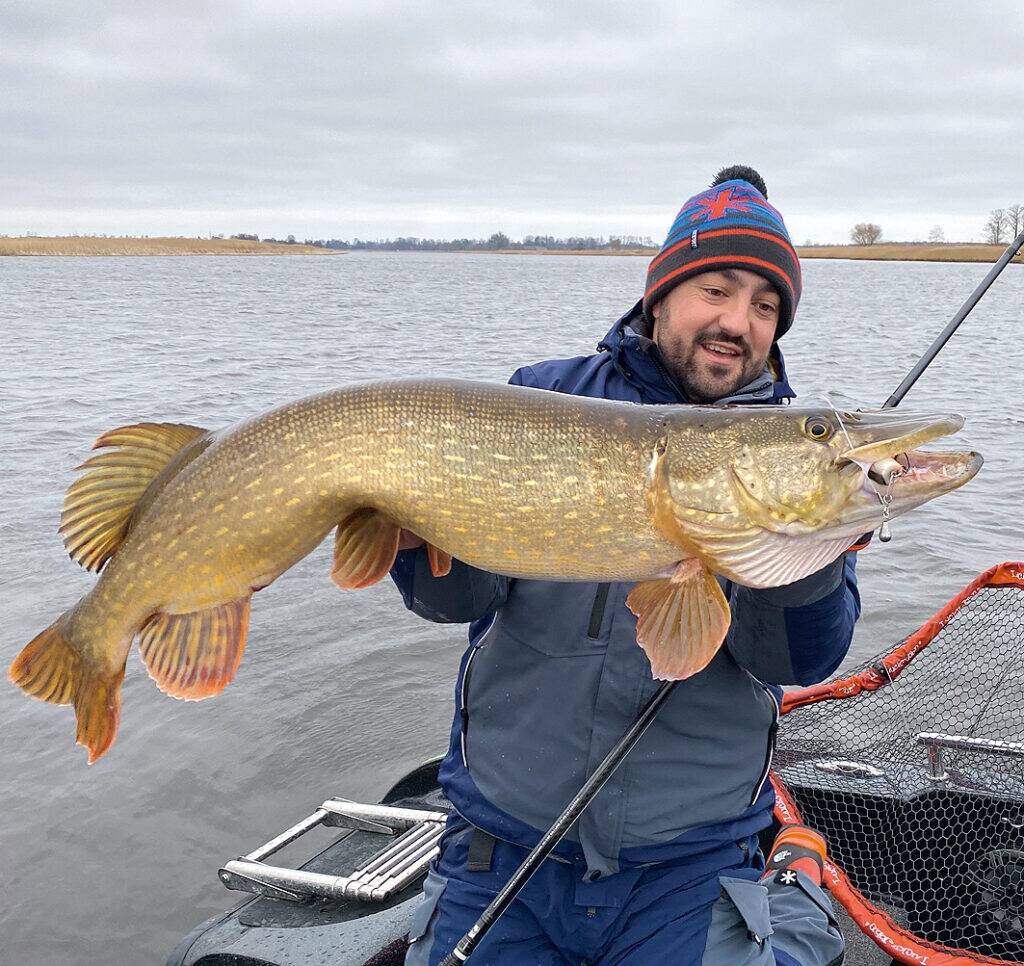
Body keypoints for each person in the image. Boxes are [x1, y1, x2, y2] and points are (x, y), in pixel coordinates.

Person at [391, 166, 857, 965]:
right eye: (717, 288)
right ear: (661, 294)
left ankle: (791, 893)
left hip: (689, 864)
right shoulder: (543, 396)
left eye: (766, 305)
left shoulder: (793, 451)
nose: (739, 321)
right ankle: (799, 894)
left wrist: (813, 547)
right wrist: (405, 522)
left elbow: (797, 660)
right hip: (503, 845)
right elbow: (455, 597)